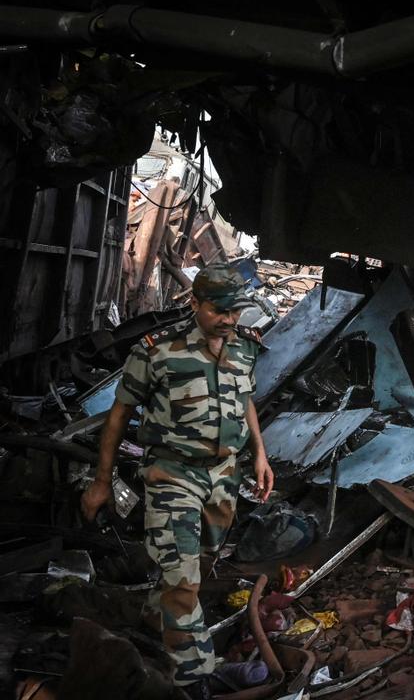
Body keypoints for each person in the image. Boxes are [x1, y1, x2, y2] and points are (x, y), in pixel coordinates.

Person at [81, 265, 275, 700]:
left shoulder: (244, 349)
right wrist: (101, 482)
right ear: (195, 304)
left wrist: (259, 454)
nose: (228, 320)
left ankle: (155, 620)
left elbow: (245, 401)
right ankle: (197, 678)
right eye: (218, 311)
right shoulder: (156, 351)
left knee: (198, 564)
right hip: (172, 473)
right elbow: (118, 416)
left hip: (224, 475)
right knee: (183, 576)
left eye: (235, 312)